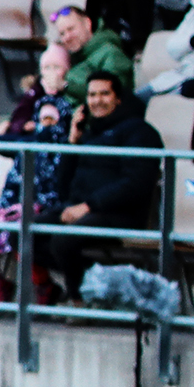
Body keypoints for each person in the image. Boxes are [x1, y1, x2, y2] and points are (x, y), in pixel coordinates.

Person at [0, 44, 74, 304]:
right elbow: (14, 127)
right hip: (16, 200)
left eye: (57, 67)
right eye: (46, 67)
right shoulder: (30, 124)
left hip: (44, 203)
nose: (51, 73)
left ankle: (44, 285)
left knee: (20, 234)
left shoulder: (64, 126)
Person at [48, 72, 162, 301]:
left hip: (119, 214)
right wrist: (73, 143)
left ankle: (77, 300)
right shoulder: (89, 134)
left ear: (118, 98)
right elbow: (62, 186)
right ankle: (98, 281)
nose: (97, 100)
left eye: (104, 94)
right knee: (24, 233)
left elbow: (135, 185)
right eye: (91, 95)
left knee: (63, 241)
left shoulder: (140, 132)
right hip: (82, 209)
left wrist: (89, 206)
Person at [54, 5, 135, 102]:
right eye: (62, 33)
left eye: (71, 29)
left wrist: (66, 86)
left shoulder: (110, 53)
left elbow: (110, 96)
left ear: (87, 24)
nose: (67, 37)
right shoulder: (71, 59)